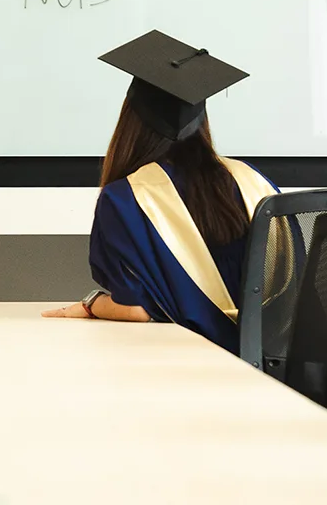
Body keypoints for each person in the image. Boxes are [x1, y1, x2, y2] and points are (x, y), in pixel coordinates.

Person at [42, 30, 280, 355]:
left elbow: (137, 309)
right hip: (275, 371)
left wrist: (92, 305)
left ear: (131, 122)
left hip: (190, 366)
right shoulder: (253, 181)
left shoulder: (126, 198)